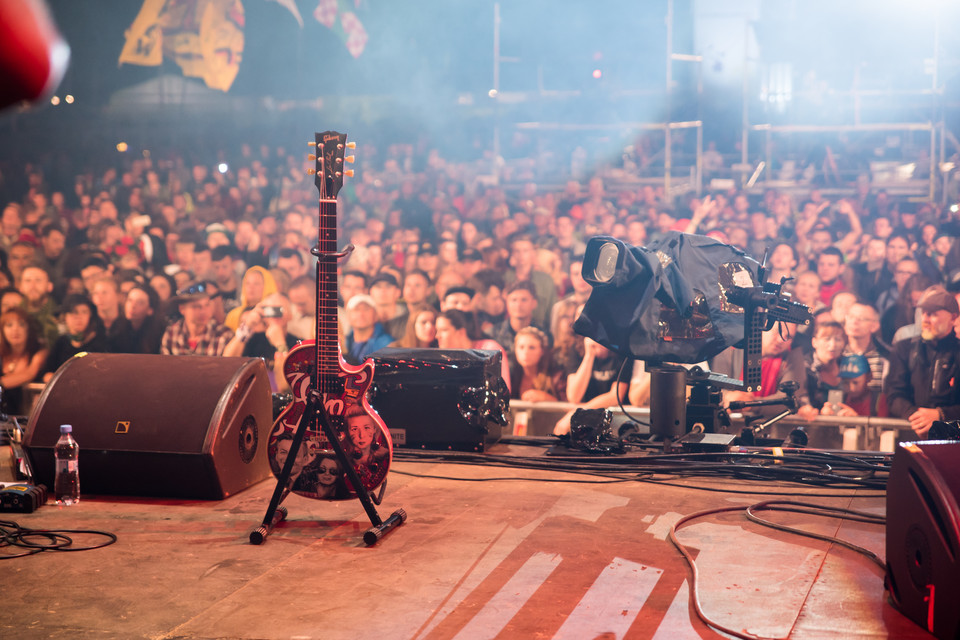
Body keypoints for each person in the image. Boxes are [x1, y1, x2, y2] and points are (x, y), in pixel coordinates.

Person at [885, 286, 960, 438]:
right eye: (924, 313)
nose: (925, 319)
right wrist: (918, 417)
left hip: (952, 440)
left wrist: (941, 414)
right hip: (911, 433)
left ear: (953, 318)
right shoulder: (904, 347)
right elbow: (894, 394)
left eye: (932, 314)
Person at [552, 337, 634, 436]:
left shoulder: (622, 351)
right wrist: (589, 356)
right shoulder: (577, 349)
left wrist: (577, 414)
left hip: (615, 420)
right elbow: (574, 396)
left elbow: (616, 396)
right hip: (586, 423)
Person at [223, 292, 300, 392]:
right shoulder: (254, 340)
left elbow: (285, 387)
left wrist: (280, 344)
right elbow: (227, 362)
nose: (273, 316)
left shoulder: (298, 344)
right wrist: (247, 327)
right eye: (269, 311)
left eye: (278, 311)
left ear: (290, 316)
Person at [435, 309, 511, 389]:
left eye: (443, 330)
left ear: (461, 332)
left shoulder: (489, 349)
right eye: (437, 330)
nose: (437, 336)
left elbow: (503, 390)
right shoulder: (444, 358)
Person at [42, 294, 108, 381]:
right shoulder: (61, 342)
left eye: (84, 312)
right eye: (74, 312)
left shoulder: (100, 343)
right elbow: (46, 373)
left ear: (91, 316)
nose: (79, 317)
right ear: (65, 317)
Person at [160, 281, 234, 356]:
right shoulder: (172, 333)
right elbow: (165, 366)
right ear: (182, 309)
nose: (203, 311)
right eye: (196, 306)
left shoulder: (223, 334)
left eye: (207, 305)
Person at [0, 306, 47, 415]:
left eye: (21, 324)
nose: (15, 329)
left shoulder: (40, 353)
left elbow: (29, 374)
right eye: (9, 325)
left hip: (29, 418)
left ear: (29, 329)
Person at [509, 326, 564, 403]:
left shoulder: (556, 377)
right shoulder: (510, 376)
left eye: (532, 347)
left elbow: (568, 409)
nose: (526, 352)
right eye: (521, 347)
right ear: (515, 350)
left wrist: (546, 398)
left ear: (542, 351)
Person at [821, 354, 887, 418]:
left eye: (856, 383)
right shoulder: (841, 399)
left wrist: (856, 420)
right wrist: (826, 417)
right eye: (846, 383)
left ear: (869, 377)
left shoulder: (879, 400)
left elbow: (882, 427)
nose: (851, 388)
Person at [342, 294, 393, 365]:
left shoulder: (387, 345)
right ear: (348, 316)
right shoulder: (344, 342)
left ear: (375, 315)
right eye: (356, 309)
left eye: (366, 309)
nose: (361, 314)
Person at [224, 265, 278, 331]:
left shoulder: (274, 314)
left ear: (267, 286)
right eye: (247, 283)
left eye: (256, 283)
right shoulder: (233, 315)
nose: (251, 287)